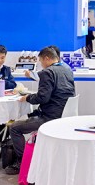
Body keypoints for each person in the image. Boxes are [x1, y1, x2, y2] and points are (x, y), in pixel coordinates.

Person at [6, 46, 75, 175]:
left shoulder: (47, 72)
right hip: (65, 114)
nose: (41, 65)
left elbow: (43, 98)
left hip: (51, 117)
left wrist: (27, 97)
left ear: (47, 58)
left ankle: (23, 162)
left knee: (14, 128)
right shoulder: (67, 69)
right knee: (31, 114)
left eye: (41, 61)